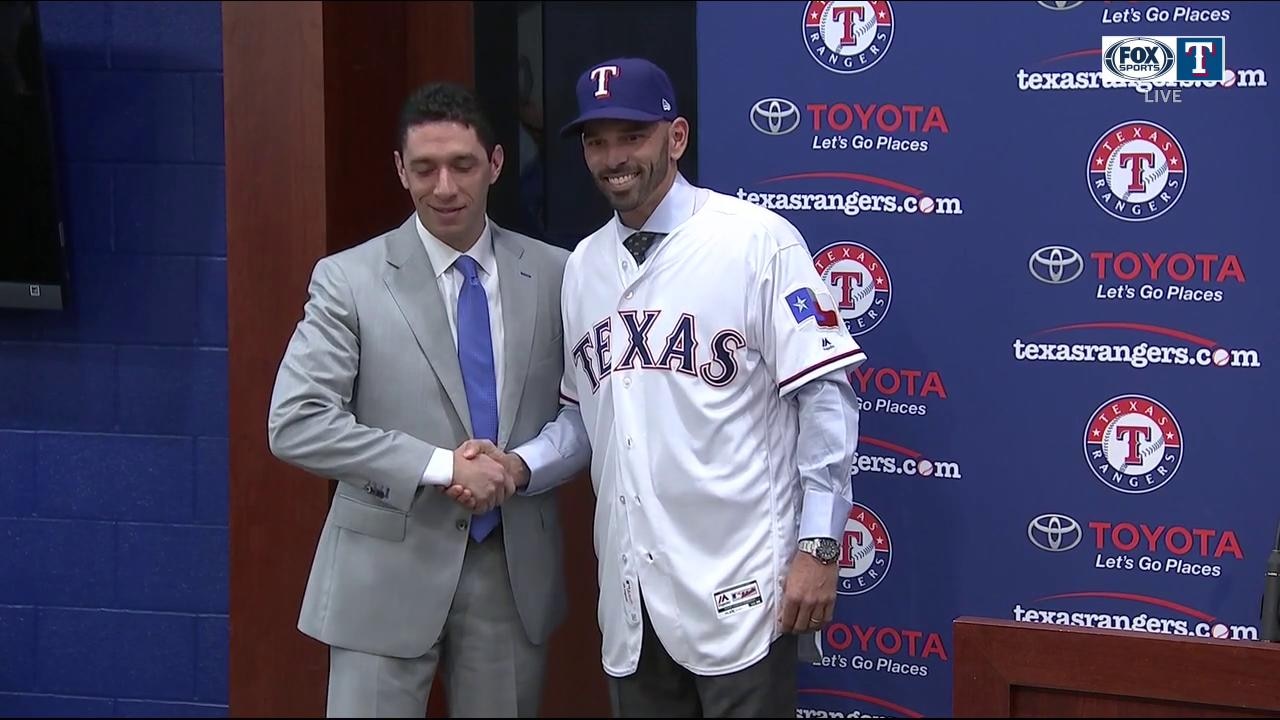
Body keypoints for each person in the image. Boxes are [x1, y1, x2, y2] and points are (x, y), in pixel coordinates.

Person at [456, 57, 867, 717]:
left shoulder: (757, 241)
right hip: (634, 596)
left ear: (675, 138)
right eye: (596, 140)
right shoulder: (585, 264)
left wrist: (819, 546)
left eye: (631, 135)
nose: (613, 157)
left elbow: (826, 400)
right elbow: (583, 422)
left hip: (743, 583)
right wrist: (519, 464)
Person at [266, 81, 581, 718]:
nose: (444, 188)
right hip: (383, 572)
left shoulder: (558, 274)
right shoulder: (348, 279)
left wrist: (519, 468)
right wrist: (442, 466)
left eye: (462, 165)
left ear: (495, 163)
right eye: (424, 168)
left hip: (510, 572)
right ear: (399, 170)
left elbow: (588, 413)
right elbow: (296, 423)